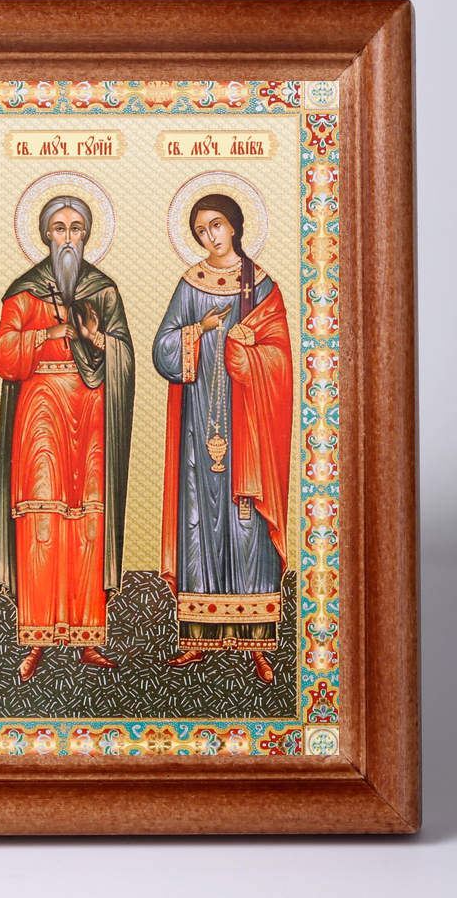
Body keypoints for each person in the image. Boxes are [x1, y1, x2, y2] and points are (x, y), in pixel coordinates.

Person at [0, 195, 135, 682]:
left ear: (87, 235)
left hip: (91, 413)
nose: (68, 237)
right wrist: (47, 334)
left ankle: (87, 636)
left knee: (89, 519)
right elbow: (3, 356)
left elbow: (123, 355)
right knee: (43, 519)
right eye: (59, 228)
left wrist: (96, 340)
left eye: (76, 228)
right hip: (40, 415)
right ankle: (37, 638)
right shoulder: (24, 291)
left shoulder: (103, 291)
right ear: (46, 235)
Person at [152, 194, 292, 683]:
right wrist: (199, 329)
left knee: (245, 522)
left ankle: (257, 644)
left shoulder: (263, 286)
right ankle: (197, 639)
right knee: (198, 520)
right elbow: (162, 348)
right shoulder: (191, 283)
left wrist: (250, 350)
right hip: (198, 424)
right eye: (200, 230)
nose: (210, 236)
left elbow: (281, 358)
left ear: (233, 226)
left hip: (247, 425)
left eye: (216, 225)